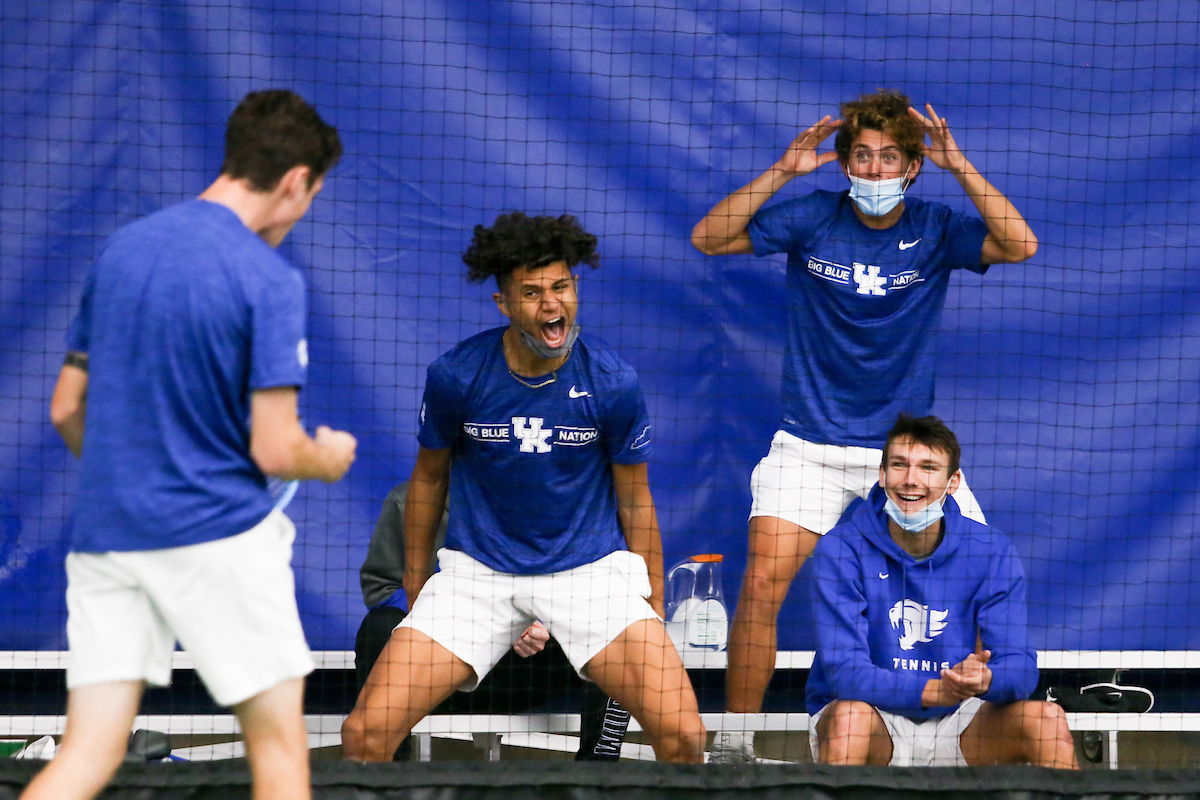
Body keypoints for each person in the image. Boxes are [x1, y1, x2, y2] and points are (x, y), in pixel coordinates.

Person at [691, 89, 1037, 762]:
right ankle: (732, 747)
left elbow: (1019, 244)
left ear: (911, 167)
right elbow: (709, 237)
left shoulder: (937, 227)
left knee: (980, 571)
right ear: (844, 163)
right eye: (861, 156)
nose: (873, 171)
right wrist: (783, 173)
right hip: (809, 445)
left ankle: (959, 741)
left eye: (889, 158)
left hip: (902, 456)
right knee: (762, 579)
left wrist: (958, 163)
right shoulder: (813, 216)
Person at [32, 90, 357, 800]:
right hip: (221, 536)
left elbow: (65, 408)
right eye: (312, 195)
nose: (304, 212)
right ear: (297, 180)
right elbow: (275, 451)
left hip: (108, 535)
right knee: (279, 756)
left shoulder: (122, 251)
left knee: (85, 755)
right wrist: (326, 457)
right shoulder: (269, 279)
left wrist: (138, 475)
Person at [341, 212, 705, 763]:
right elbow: (428, 480)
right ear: (504, 304)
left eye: (561, 287)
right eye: (531, 293)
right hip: (477, 575)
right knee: (363, 736)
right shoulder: (456, 376)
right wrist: (418, 583)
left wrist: (649, 597)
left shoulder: (612, 382)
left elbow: (635, 497)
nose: (551, 304)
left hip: (587, 573)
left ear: (575, 288)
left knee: (684, 737)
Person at [806, 414, 1077, 768]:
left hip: (961, 722)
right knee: (847, 721)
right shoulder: (840, 548)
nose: (910, 480)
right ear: (882, 475)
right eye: (899, 465)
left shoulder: (990, 549)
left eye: (928, 467)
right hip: (873, 718)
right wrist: (935, 691)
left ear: (953, 482)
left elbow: (1021, 668)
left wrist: (986, 679)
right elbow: (845, 673)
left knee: (1047, 722)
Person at [354, 481, 632, 760]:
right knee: (379, 627)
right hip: (434, 672)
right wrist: (470, 616)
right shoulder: (407, 500)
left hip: (520, 673)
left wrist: (540, 621)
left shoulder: (559, 503)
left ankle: (597, 776)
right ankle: (387, 776)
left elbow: (586, 593)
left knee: (616, 626)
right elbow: (382, 589)